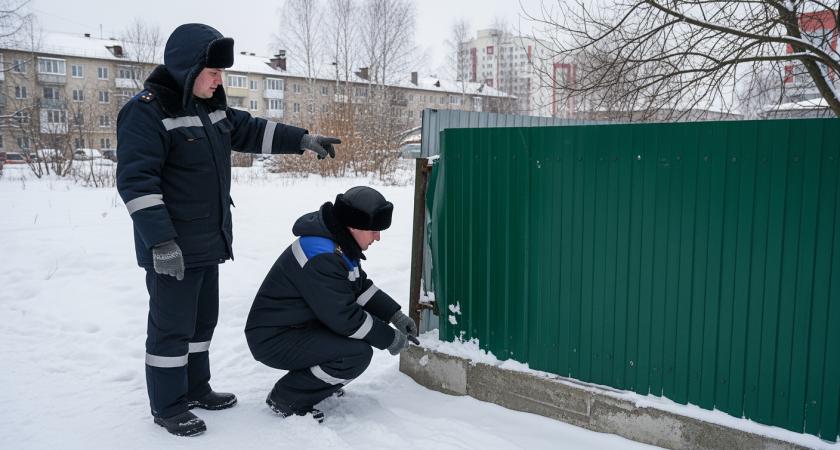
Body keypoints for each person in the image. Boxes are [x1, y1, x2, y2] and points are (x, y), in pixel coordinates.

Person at [116, 23, 342, 437]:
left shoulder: (211, 107)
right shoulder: (148, 110)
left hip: (207, 241)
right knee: (171, 330)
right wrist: (161, 242)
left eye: (222, 73)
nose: (220, 80)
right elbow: (136, 182)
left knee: (202, 326)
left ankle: (197, 388)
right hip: (172, 247)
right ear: (187, 68)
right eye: (213, 72)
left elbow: (252, 129)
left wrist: (304, 139)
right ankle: (168, 406)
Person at [245, 186, 418, 423]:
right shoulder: (323, 256)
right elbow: (345, 318)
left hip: (297, 326)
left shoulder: (337, 243)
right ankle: (288, 397)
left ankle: (319, 382)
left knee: (351, 345)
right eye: (374, 230)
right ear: (354, 226)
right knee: (355, 354)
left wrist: (394, 315)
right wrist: (389, 338)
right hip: (274, 338)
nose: (378, 237)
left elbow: (359, 287)